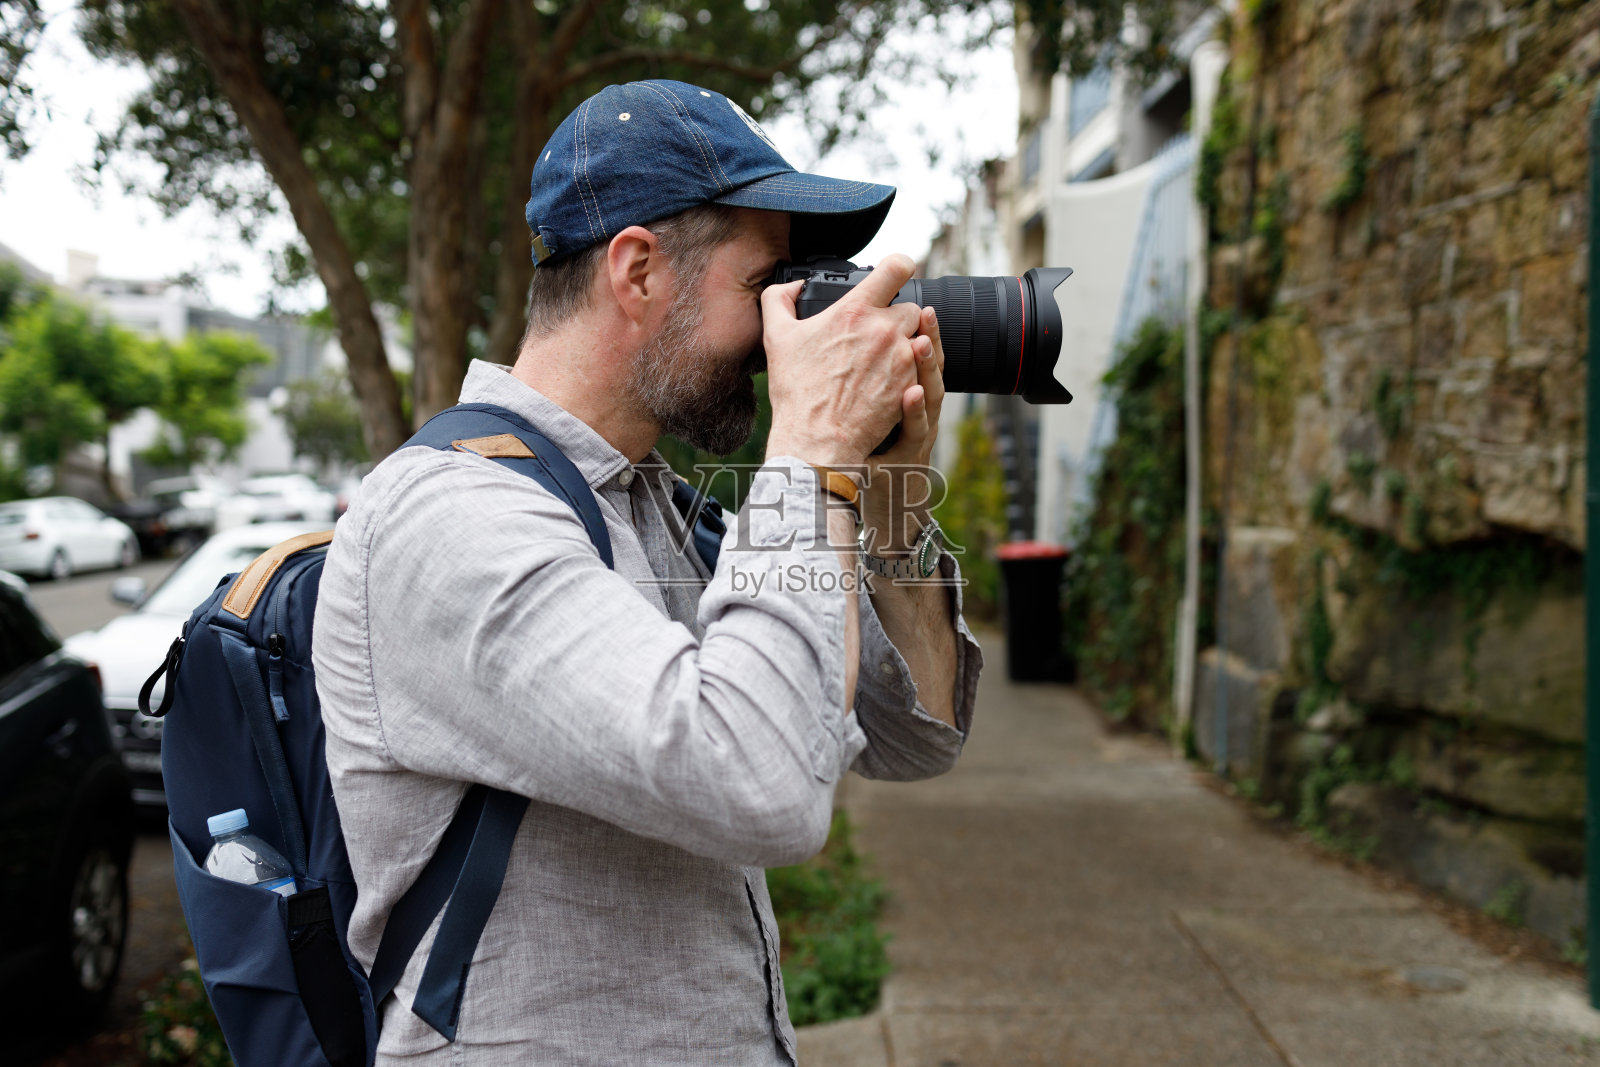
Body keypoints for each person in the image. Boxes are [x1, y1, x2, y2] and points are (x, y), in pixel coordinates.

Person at [313, 79, 983, 1065]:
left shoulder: (651, 505)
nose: (781, 331)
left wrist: (884, 496)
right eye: (767, 283)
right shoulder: (450, 518)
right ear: (637, 272)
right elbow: (758, 779)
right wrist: (812, 452)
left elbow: (907, 732)